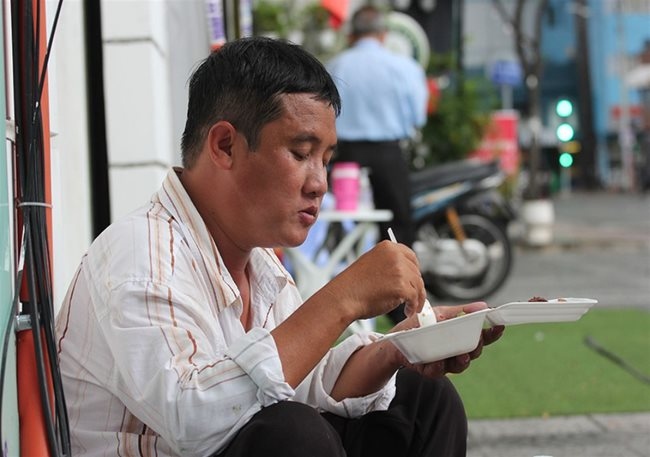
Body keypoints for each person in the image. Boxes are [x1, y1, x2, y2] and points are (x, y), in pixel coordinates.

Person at [55, 36, 503, 457]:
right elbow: (194, 420)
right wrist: (342, 298)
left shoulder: (259, 263)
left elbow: (302, 379)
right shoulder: (143, 254)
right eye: (300, 152)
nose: (319, 184)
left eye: (326, 160)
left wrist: (398, 348)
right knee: (292, 434)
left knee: (422, 398)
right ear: (225, 145)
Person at [326, 5, 429, 322]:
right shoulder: (403, 66)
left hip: (345, 156)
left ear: (352, 34)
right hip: (387, 153)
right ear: (384, 35)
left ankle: (341, 293)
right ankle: (400, 305)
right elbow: (417, 117)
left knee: (340, 223)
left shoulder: (335, 65)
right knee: (398, 224)